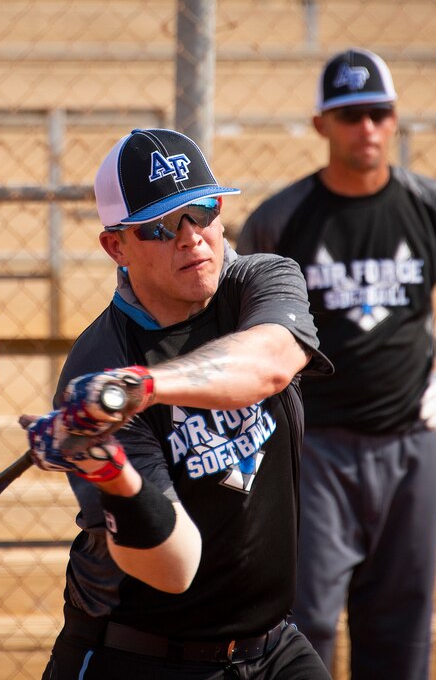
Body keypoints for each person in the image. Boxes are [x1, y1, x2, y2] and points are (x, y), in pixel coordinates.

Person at [237, 48, 436, 679]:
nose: (366, 127)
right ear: (321, 126)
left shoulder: (435, 208)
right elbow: (235, 316)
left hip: (409, 445)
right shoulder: (281, 220)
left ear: (394, 120)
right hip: (313, 450)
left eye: (378, 113)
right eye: (349, 115)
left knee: (399, 622)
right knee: (302, 619)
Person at [23, 127, 335, 680]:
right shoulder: (100, 362)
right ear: (115, 246)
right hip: (141, 654)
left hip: (274, 646)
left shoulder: (261, 281)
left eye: (203, 210)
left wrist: (142, 388)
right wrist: (107, 468)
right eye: (161, 227)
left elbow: (267, 365)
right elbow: (174, 566)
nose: (192, 238)